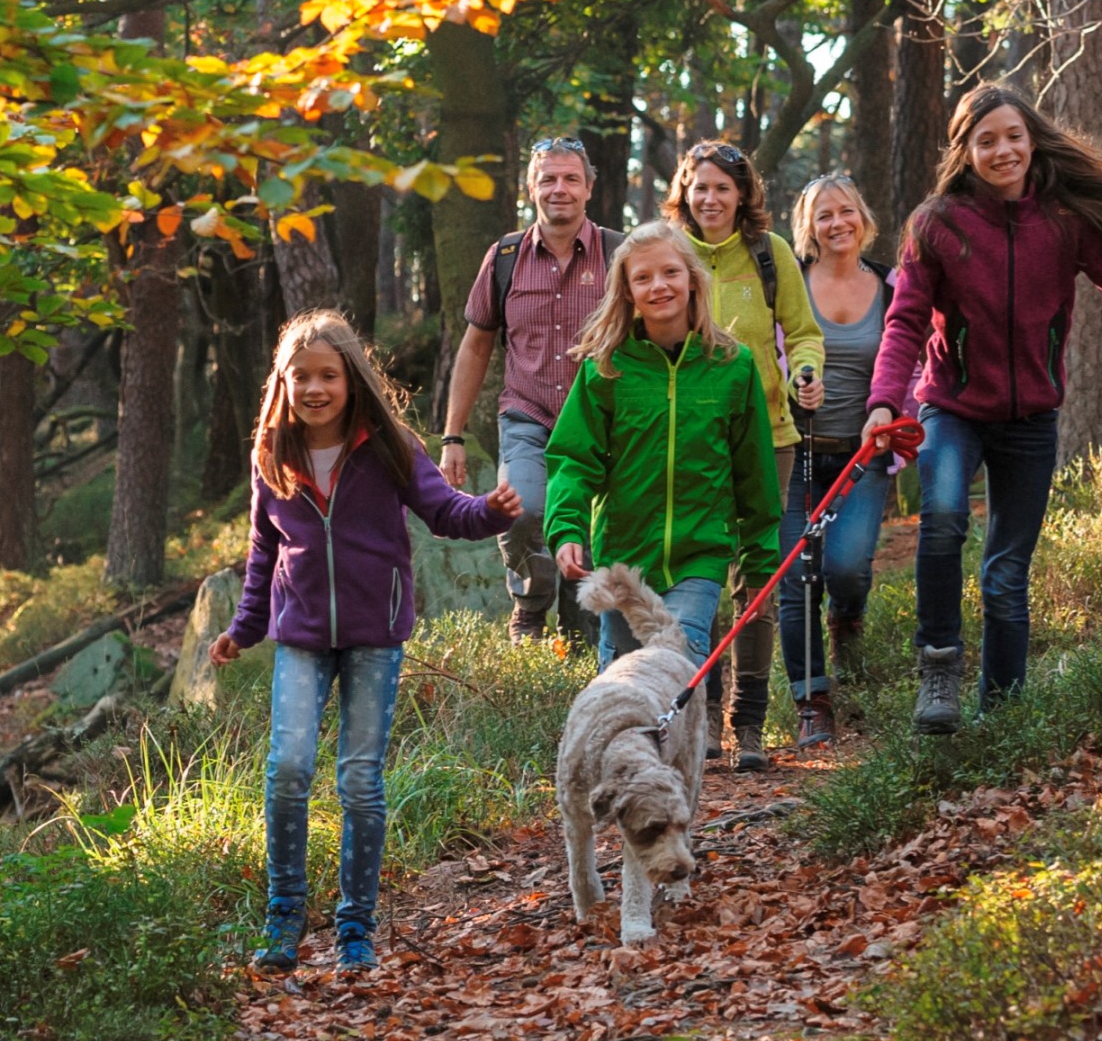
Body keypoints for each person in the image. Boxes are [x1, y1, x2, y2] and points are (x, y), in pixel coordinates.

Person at [862, 84, 1102, 735]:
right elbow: (904, 323)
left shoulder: (1064, 222)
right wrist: (884, 402)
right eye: (986, 140)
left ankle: (1001, 713)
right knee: (941, 516)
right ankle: (938, 663)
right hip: (951, 407)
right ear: (965, 152)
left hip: (1030, 422)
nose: (1002, 150)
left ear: (1032, 141)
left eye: (1013, 136)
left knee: (1005, 573)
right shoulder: (935, 224)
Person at [216, 311, 519, 973]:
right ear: (283, 382)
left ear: (352, 379)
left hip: (374, 636)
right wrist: (244, 628)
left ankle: (355, 925)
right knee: (289, 767)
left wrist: (490, 511)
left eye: (328, 374)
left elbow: (446, 511)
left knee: (358, 779)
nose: (315, 388)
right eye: (302, 376)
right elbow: (262, 550)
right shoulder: (271, 452)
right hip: (299, 635)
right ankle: (284, 918)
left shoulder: (388, 447)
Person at [542, 224, 780, 687]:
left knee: (676, 666)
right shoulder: (606, 367)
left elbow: (754, 473)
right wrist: (566, 526)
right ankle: (623, 759)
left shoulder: (732, 366)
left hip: (700, 557)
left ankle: (674, 758)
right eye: (644, 278)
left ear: (693, 278)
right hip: (623, 561)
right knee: (623, 683)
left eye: (671, 272)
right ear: (628, 292)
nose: (659, 286)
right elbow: (573, 458)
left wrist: (760, 561)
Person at [660, 142, 825, 771]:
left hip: (771, 437)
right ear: (684, 191)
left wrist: (807, 369)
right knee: (699, 575)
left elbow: (803, 331)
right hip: (692, 444)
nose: (709, 199)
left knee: (757, 578)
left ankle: (749, 723)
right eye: (699, 187)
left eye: (722, 188)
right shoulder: (668, 251)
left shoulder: (769, 252)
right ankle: (702, 719)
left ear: (742, 194)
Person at [440, 138, 612, 640]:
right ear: (531, 187)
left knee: (589, 530)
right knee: (520, 509)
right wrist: (453, 435)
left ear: (589, 188)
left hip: (602, 422)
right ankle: (531, 607)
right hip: (528, 415)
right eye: (548, 179)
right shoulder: (505, 257)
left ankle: (580, 635)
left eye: (570, 179)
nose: (559, 189)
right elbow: (475, 347)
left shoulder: (621, 254)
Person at [778, 172, 892, 748]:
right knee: (796, 576)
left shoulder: (891, 289)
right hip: (796, 453)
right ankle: (812, 702)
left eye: (845, 211)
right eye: (824, 215)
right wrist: (792, 384)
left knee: (846, 567)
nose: (836, 223)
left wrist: (895, 417)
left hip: (863, 456)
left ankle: (847, 616)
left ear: (862, 218)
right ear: (809, 228)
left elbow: (910, 363)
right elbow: (768, 350)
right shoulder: (789, 285)